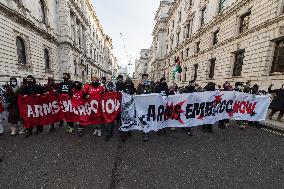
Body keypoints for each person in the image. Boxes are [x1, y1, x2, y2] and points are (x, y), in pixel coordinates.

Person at [136, 74, 153, 141]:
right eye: (144, 78)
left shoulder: (150, 85)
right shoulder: (140, 86)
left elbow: (153, 93)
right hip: (142, 105)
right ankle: (145, 132)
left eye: (146, 78)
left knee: (148, 118)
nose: (145, 79)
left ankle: (147, 131)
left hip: (149, 104)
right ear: (142, 79)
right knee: (143, 118)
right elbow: (137, 93)